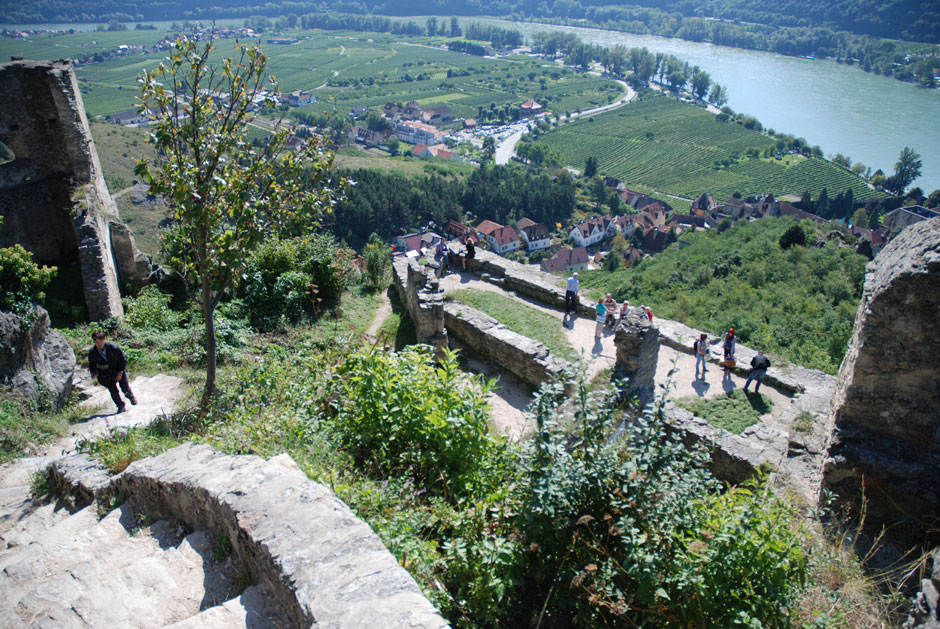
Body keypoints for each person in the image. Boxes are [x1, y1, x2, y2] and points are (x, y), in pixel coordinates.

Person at [88, 330, 136, 413]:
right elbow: (92, 364)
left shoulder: (113, 347)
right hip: (105, 373)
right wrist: (94, 373)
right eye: (96, 341)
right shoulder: (92, 352)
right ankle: (120, 406)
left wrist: (120, 372)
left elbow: (122, 360)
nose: (99, 344)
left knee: (124, 387)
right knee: (113, 391)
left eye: (100, 341)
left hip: (117, 369)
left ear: (104, 339)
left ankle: (131, 397)